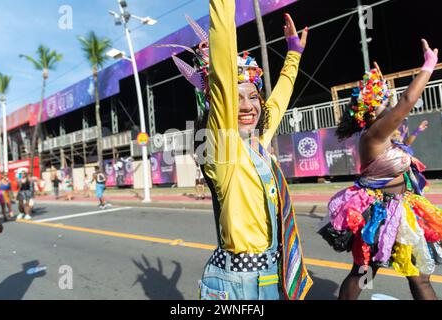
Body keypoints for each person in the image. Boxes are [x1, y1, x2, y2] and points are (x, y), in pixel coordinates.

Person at [169, 1, 312, 300]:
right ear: (223, 107)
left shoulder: (256, 143)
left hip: (272, 277)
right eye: (237, 100)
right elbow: (222, 79)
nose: (247, 106)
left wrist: (293, 54)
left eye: (253, 97)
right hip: (240, 286)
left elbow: (278, 101)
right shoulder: (224, 149)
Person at [318, 40, 440, 300]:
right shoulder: (374, 134)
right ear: (372, 111)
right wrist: (428, 66)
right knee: (363, 271)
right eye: (384, 101)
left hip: (404, 207)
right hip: (380, 213)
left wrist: (379, 83)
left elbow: (396, 106)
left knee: (419, 275)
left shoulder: (380, 131)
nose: (389, 104)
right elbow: (407, 100)